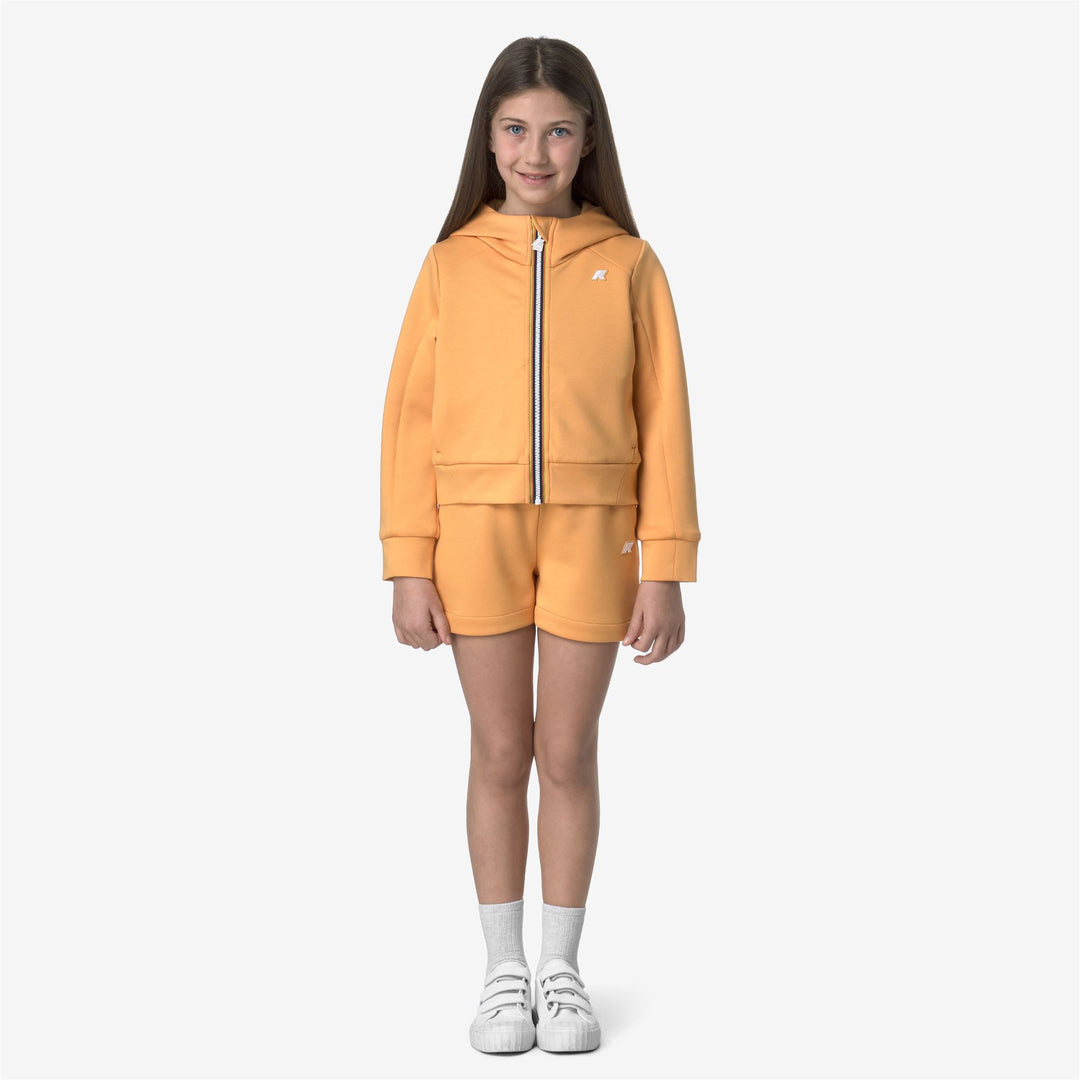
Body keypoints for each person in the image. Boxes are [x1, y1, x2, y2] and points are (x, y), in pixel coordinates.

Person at [378, 36, 700, 1054]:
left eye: (557, 131)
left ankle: (561, 971)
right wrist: (407, 561)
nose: (534, 152)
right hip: (473, 534)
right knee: (498, 750)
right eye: (515, 129)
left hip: (593, 536)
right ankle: (501, 972)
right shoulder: (448, 264)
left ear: (588, 139)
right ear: (488, 138)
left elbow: (666, 419)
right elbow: (408, 420)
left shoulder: (630, 263)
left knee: (566, 752)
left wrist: (666, 565)